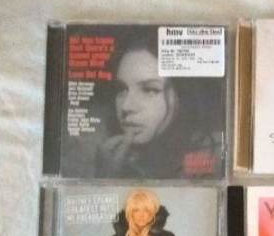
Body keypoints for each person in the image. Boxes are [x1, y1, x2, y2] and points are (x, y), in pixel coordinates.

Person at [95, 31, 221, 178]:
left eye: (150, 90)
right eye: (122, 89)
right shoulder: (115, 159)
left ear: (182, 96)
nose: (126, 107)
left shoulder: (216, 157)